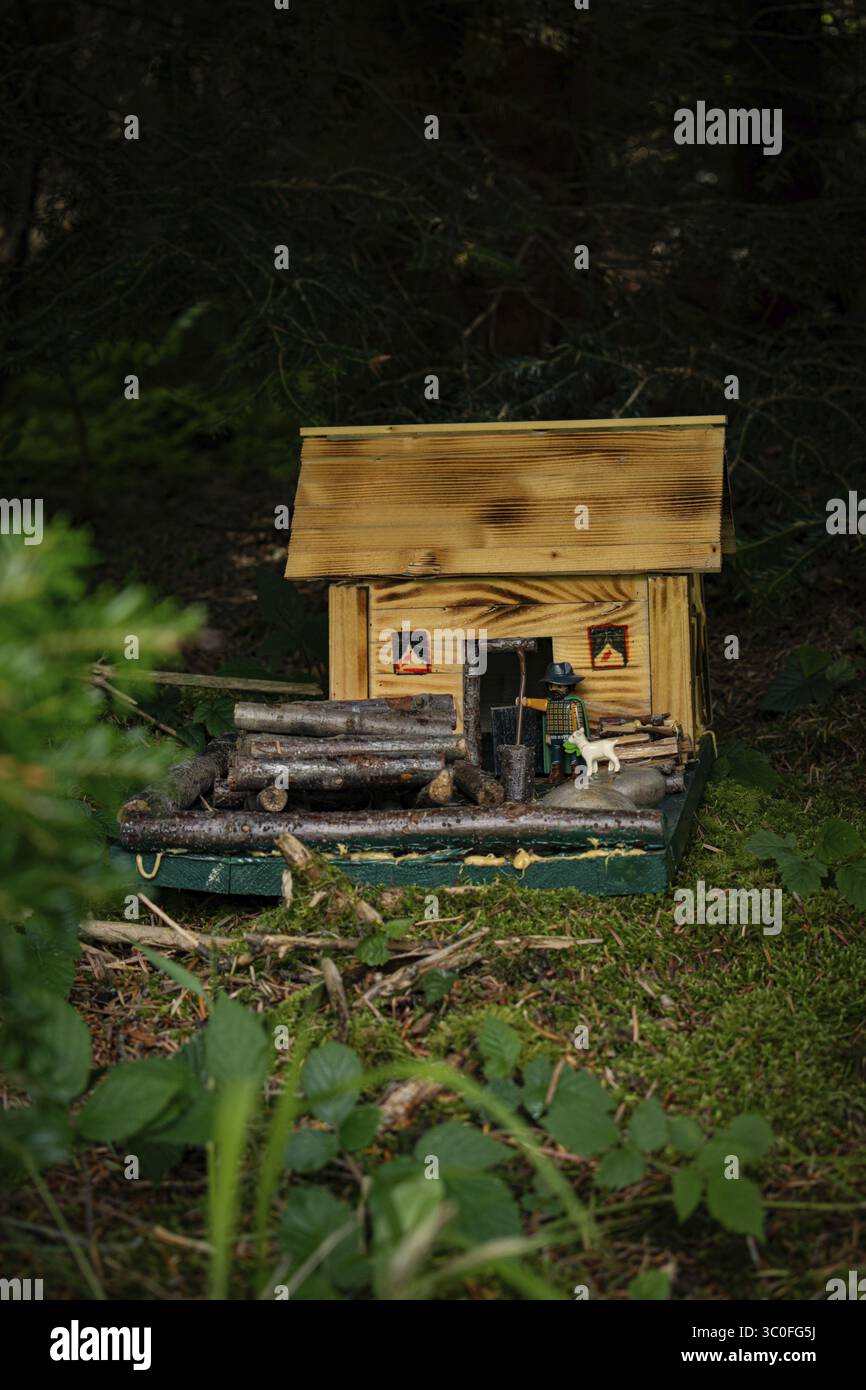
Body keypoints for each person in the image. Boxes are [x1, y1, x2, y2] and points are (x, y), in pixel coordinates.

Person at [518, 661, 590, 785]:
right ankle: (557, 774)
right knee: (555, 756)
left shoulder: (574, 702)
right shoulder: (549, 702)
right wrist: (527, 702)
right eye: (551, 686)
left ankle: (577, 772)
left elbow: (578, 720)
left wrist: (580, 735)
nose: (554, 689)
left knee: (574, 754)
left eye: (559, 686)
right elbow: (540, 704)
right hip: (554, 735)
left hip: (571, 735)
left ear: (569, 686)